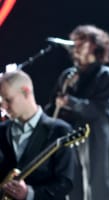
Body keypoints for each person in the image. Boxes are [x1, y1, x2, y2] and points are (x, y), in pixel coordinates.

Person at [47, 25, 109, 200]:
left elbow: (97, 109)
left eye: (82, 41)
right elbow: (52, 105)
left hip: (93, 130)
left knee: (95, 180)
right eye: (75, 41)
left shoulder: (105, 74)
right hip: (70, 131)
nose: (76, 45)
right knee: (72, 180)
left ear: (95, 45)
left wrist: (70, 102)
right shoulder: (68, 75)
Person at [0, 70, 77, 200]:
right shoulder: (2, 131)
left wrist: (29, 194)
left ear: (26, 91)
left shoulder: (59, 131)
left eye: (8, 99)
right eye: (1, 100)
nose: (3, 106)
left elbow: (65, 183)